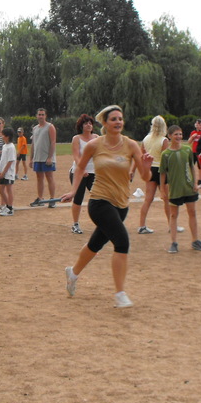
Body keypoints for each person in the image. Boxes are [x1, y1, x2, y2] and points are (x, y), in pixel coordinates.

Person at [62, 105, 151, 308]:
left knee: (95, 244)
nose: (118, 122)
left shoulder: (131, 145)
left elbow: (145, 177)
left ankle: (73, 273)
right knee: (122, 242)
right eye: (114, 119)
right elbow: (80, 167)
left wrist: (146, 167)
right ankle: (120, 293)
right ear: (105, 123)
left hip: (121, 204)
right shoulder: (94, 145)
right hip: (99, 201)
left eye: (120, 119)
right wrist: (74, 191)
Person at [160, 125, 201, 254]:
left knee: (192, 212)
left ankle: (195, 240)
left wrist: (195, 183)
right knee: (173, 215)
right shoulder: (165, 154)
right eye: (176, 134)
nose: (179, 137)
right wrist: (162, 190)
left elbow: (192, 167)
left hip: (188, 187)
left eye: (180, 134)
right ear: (169, 136)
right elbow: (163, 173)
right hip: (175, 188)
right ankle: (174, 242)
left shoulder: (187, 150)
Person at [136, 116, 169, 236]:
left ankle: (141, 225)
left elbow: (142, 155)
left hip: (150, 168)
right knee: (166, 199)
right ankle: (172, 224)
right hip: (161, 170)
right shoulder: (164, 140)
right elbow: (165, 159)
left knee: (148, 199)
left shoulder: (146, 138)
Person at [68, 114, 97, 234]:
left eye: (90, 123)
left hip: (93, 172)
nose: (89, 125)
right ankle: (75, 224)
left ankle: (102, 222)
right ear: (81, 126)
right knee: (78, 198)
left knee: (98, 197)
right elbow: (76, 156)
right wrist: (82, 169)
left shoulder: (96, 138)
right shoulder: (77, 138)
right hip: (79, 172)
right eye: (86, 123)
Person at [29, 108, 58, 207]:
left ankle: (52, 199)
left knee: (49, 177)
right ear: (36, 116)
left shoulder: (50, 127)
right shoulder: (35, 128)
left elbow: (53, 142)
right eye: (39, 114)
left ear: (45, 116)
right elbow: (33, 144)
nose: (40, 116)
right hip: (38, 157)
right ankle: (40, 198)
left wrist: (50, 157)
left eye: (42, 114)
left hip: (46, 157)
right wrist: (31, 158)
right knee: (39, 178)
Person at [0, 127, 17, 216]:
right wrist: (1, 171)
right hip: (3, 172)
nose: (2, 136)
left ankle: (10, 208)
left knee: (9, 189)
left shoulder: (11, 147)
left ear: (7, 136)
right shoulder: (4, 146)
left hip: (8, 173)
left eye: (3, 135)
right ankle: (7, 205)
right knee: (1, 189)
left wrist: (4, 172)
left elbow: (10, 161)